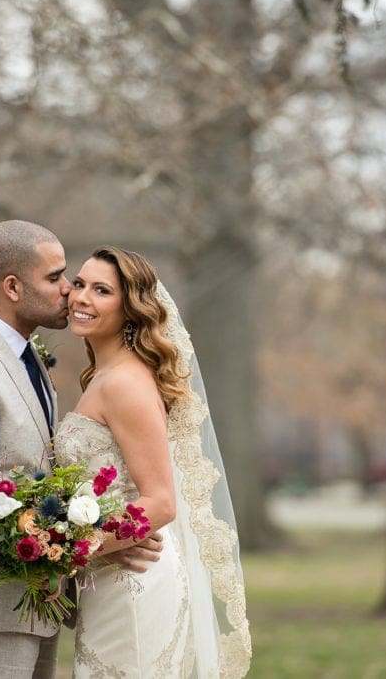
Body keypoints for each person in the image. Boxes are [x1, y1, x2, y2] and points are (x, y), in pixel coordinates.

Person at [0, 222, 162, 677]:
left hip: (35, 604)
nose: (69, 290)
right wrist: (89, 546)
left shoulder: (25, 355)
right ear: (12, 287)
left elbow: (42, 474)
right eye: (55, 278)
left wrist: (99, 538)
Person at [53, 246, 252, 678]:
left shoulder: (125, 382)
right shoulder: (102, 377)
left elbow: (161, 502)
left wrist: (67, 550)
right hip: (110, 578)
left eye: (101, 290)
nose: (81, 297)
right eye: (80, 283)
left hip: (134, 583)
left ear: (130, 310)